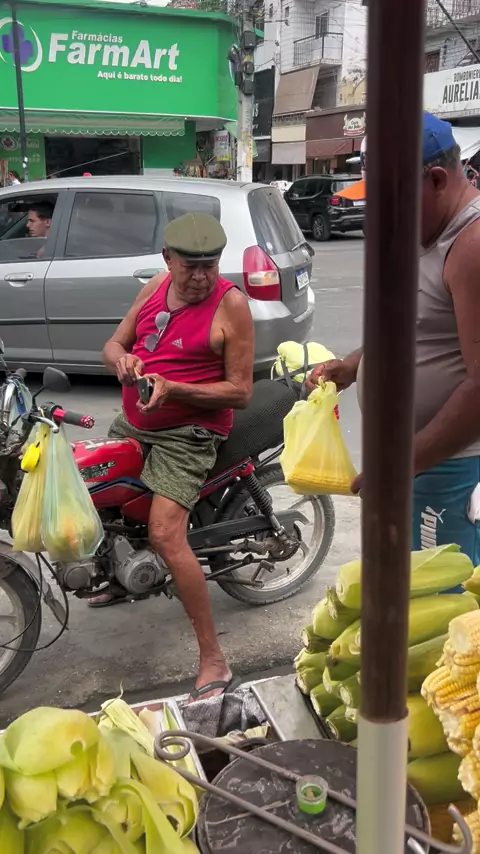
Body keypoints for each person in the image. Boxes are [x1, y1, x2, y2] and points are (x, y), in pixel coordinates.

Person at [90, 212, 254, 700]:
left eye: (210, 265)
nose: (201, 276)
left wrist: (175, 388)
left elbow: (241, 391)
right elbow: (112, 344)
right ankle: (121, 579)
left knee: (165, 534)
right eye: (190, 266)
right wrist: (122, 360)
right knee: (102, 492)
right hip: (136, 421)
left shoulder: (231, 305)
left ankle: (214, 660)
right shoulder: (156, 287)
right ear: (168, 259)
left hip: (189, 435)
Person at [307, 111, 480, 565]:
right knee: (407, 586)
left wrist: (402, 465)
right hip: (419, 460)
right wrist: (355, 364)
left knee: (443, 595)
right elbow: (419, 328)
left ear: (437, 180)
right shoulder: (426, 231)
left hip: (451, 466)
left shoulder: (472, 245)